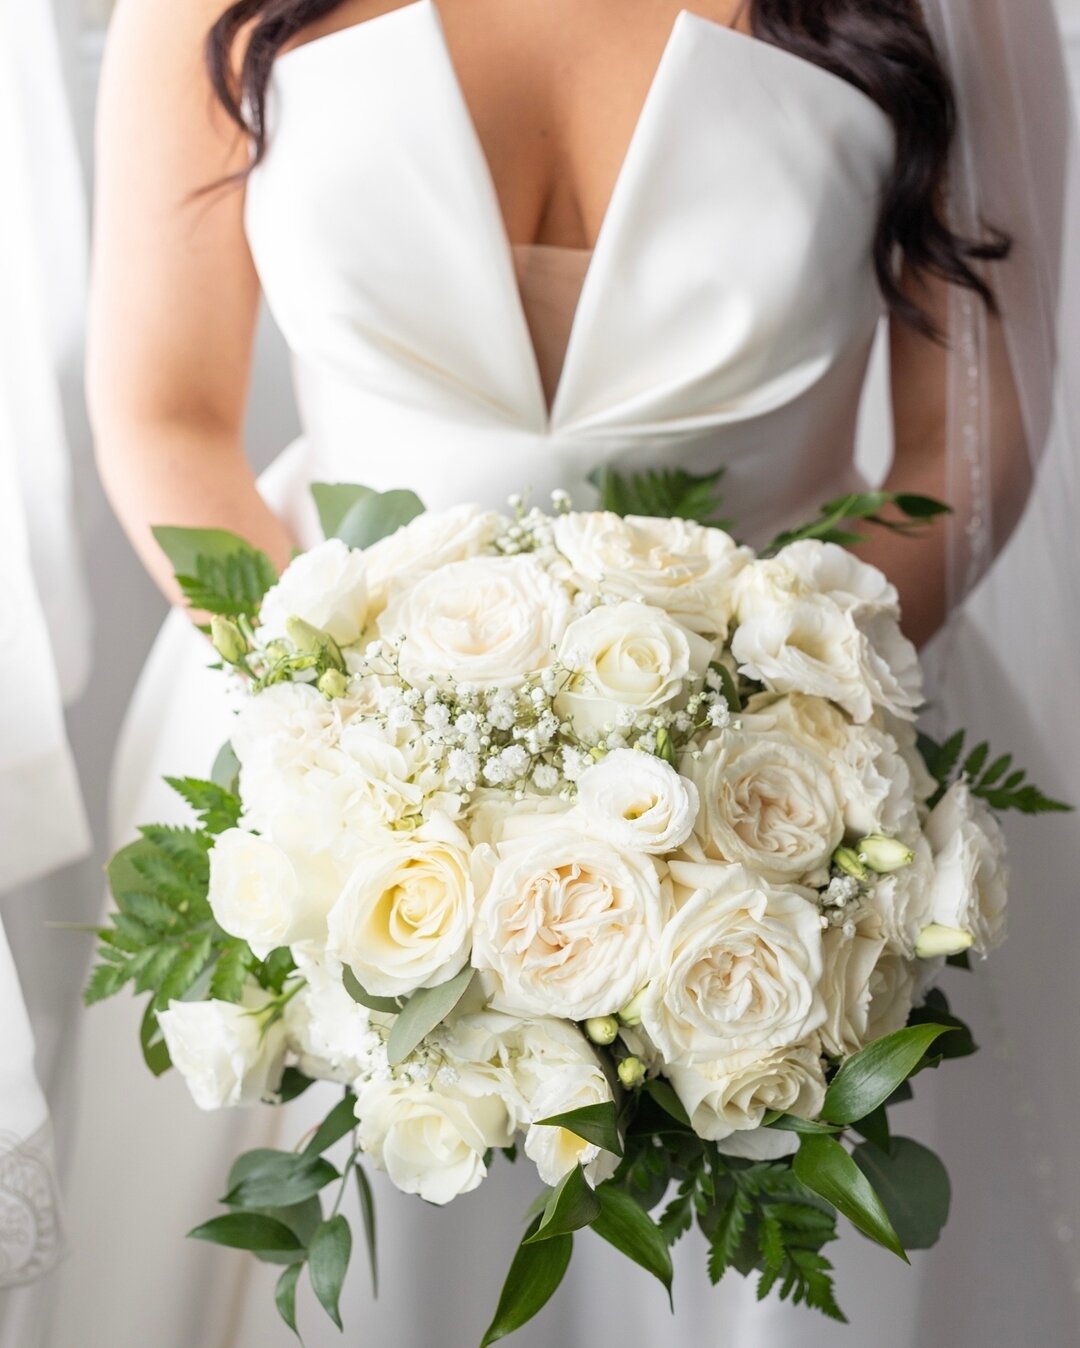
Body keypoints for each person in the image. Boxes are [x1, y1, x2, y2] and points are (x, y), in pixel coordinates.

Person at [52, 1, 1080, 1345]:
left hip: (795, 791)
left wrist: (761, 751)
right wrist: (359, 756)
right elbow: (165, 413)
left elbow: (971, 452)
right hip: (311, 747)